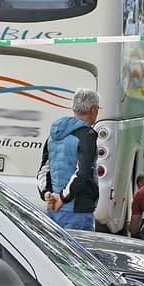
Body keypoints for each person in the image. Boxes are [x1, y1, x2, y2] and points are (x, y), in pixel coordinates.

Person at [37, 89, 100, 231]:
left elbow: (44, 170)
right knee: (80, 252)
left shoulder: (53, 135)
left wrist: (46, 193)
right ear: (94, 110)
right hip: (78, 210)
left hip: (53, 209)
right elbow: (82, 173)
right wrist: (62, 198)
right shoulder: (87, 135)